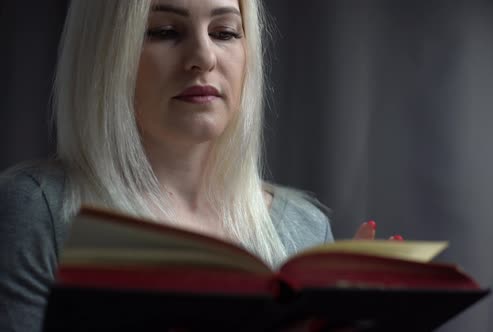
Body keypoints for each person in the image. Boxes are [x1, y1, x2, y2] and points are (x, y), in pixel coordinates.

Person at [0, 0, 379, 331]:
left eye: (225, 32)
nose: (204, 57)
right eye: (165, 31)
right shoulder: (36, 214)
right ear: (106, 50)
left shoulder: (306, 230)